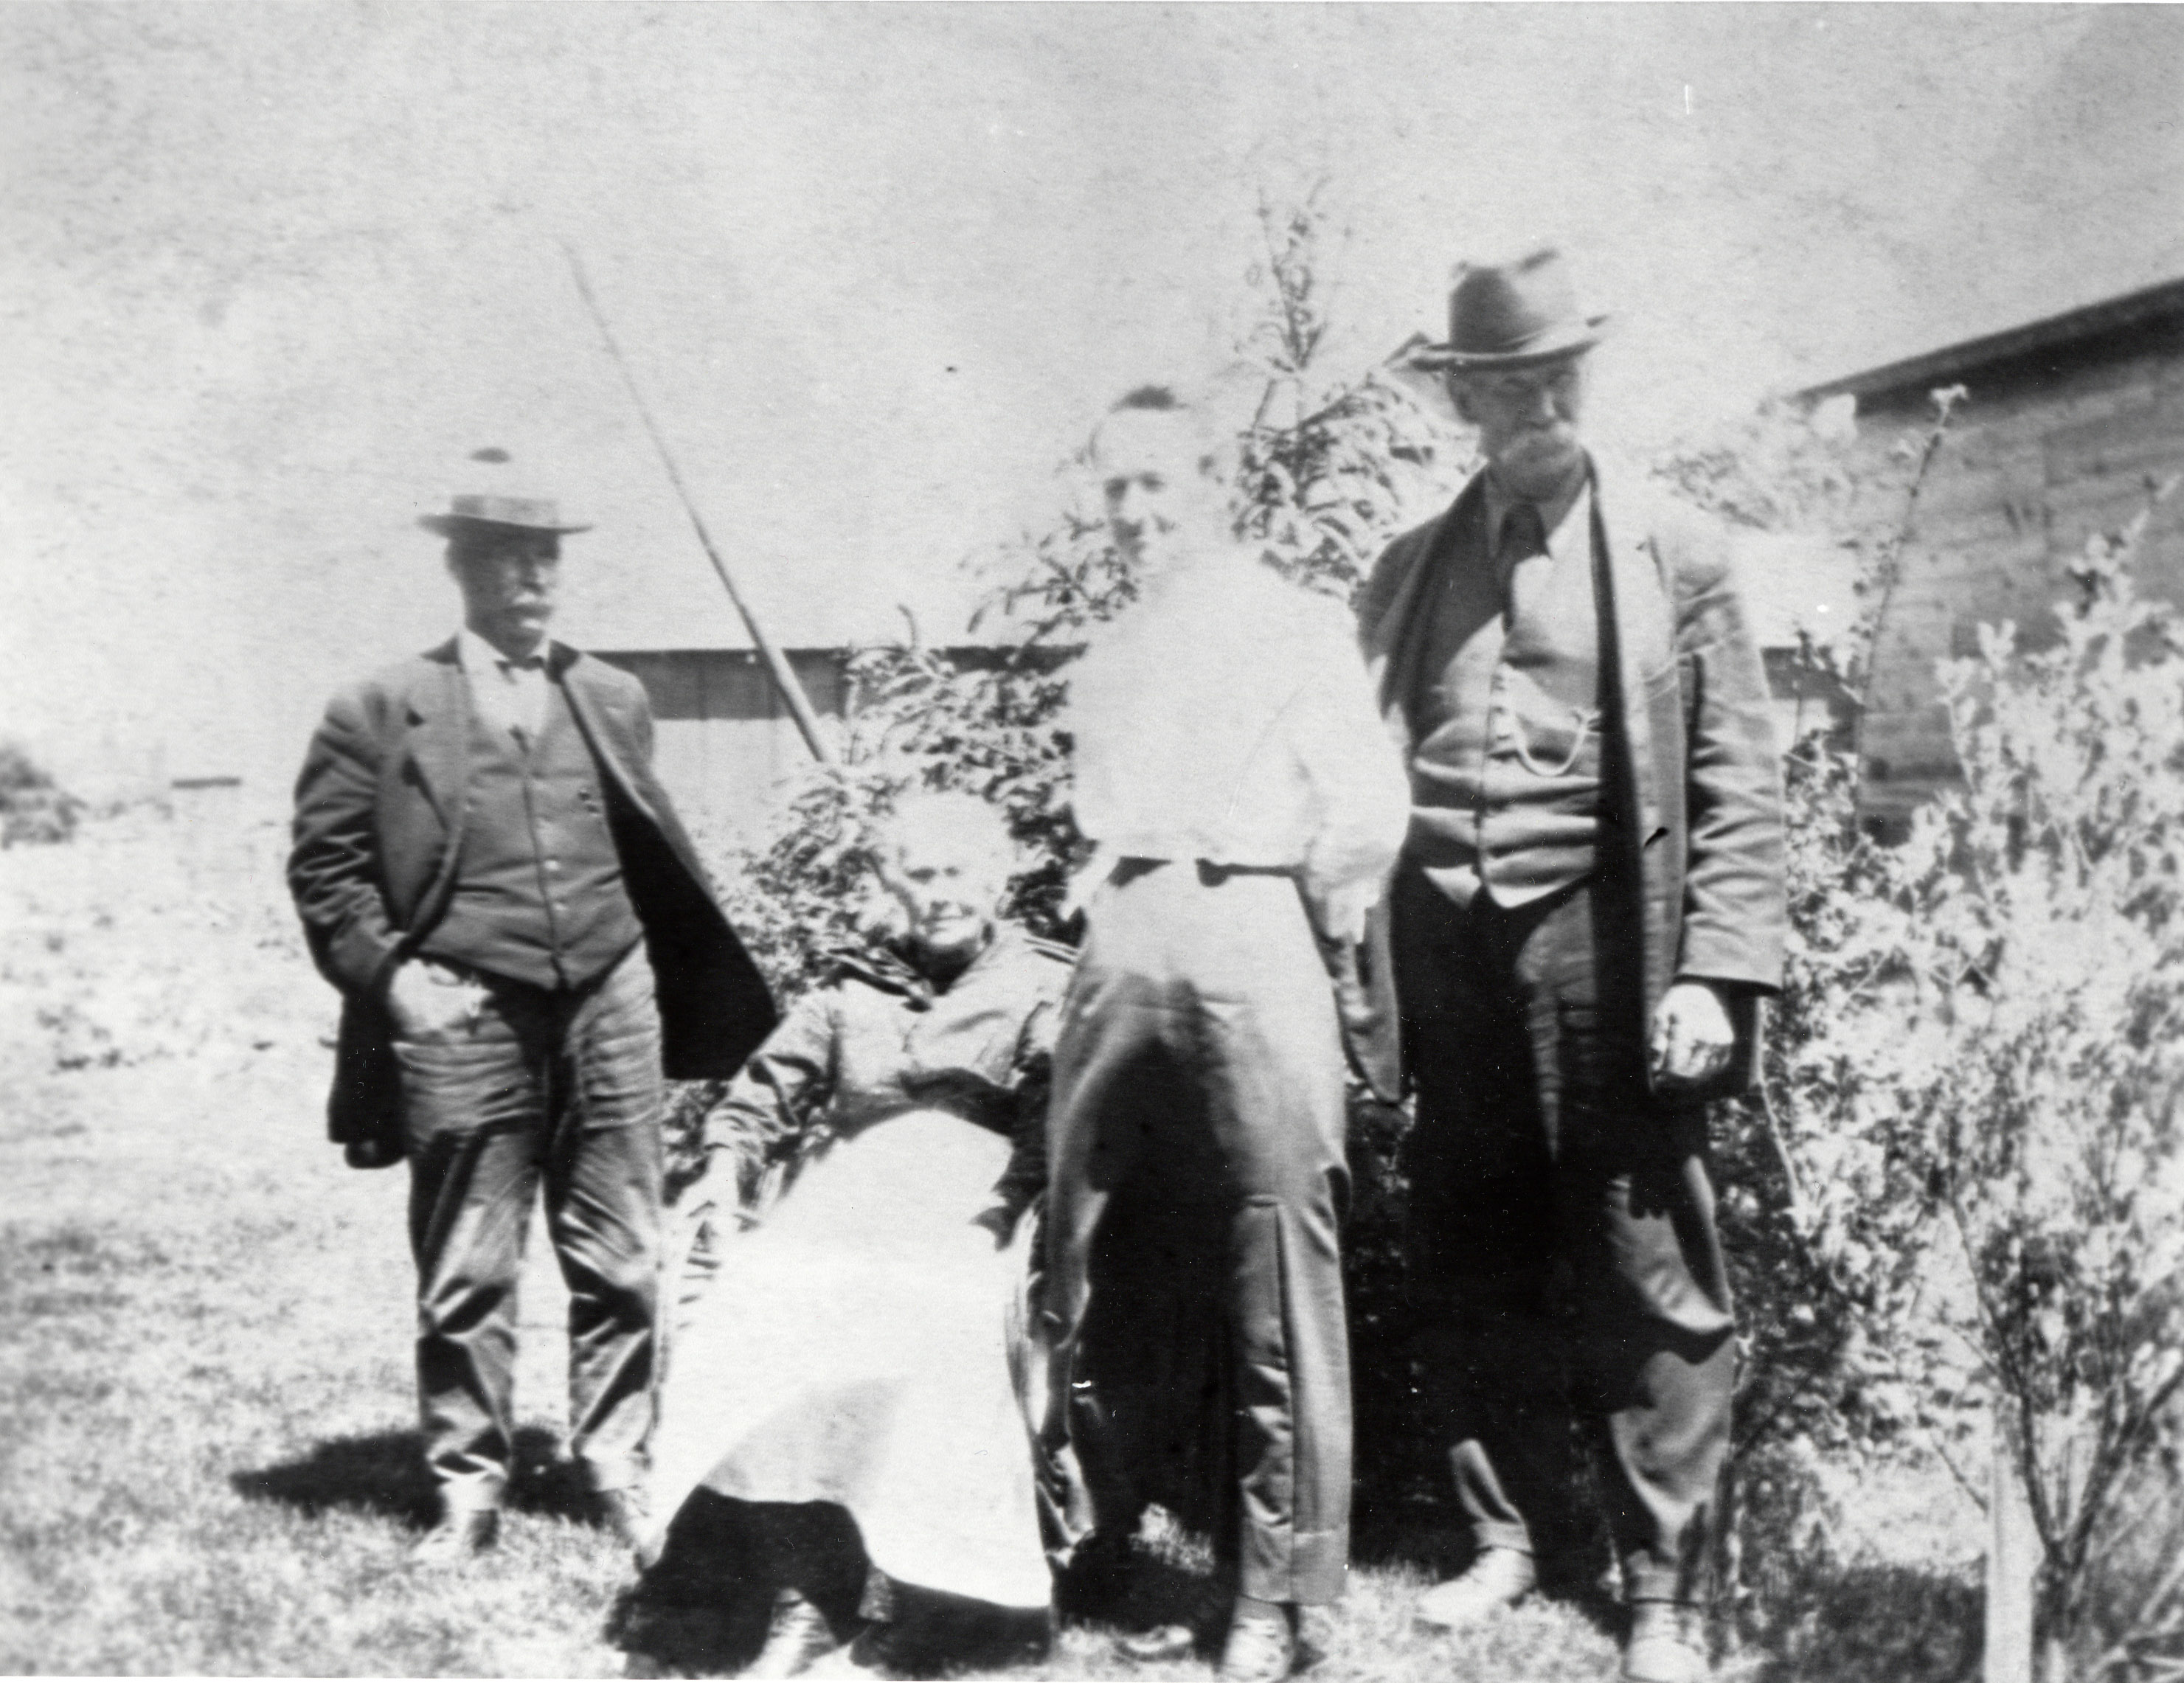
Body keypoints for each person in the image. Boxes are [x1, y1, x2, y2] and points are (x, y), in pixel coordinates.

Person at [1356, 249, 1787, 1683]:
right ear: (1461, 401)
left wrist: (1713, 973)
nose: (1537, 404)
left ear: (1581, 379)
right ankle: (1509, 1535)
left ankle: (1658, 1588)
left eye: (1556, 376)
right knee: (1467, 1243)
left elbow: (1738, 781)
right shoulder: (1408, 567)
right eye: (1506, 384)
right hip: (1443, 942)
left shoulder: (1675, 551)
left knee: (1642, 1254)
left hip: (1607, 940)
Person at [288, 460, 776, 1561]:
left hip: (609, 999)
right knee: (469, 1264)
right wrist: (399, 984)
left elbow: (641, 846)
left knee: (624, 1253)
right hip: (466, 1015)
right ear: (459, 567)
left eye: (545, 557)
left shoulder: (610, 695)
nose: (531, 578)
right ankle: (468, 1486)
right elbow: (325, 871)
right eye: (506, 558)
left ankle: (618, 1464)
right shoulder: (381, 706)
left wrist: (645, 973)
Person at [1041, 388, 1413, 1683]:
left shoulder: (1297, 625)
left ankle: (1272, 1589)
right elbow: (1101, 806)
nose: (1136, 512)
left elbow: (1367, 811)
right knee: (1087, 1241)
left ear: (1218, 483)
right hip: (1125, 939)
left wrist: (1297, 909)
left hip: (1252, 925)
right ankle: (1087, 1534)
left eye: (1160, 483)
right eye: (1117, 488)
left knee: (1276, 1249)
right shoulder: (1107, 655)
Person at [642, 791, 1071, 1681]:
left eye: (959, 872)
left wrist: (1007, 1207)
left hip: (972, 1207)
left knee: (931, 1319)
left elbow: (1051, 1117)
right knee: (768, 1306)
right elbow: (761, 1094)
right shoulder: (850, 987)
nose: (941, 892)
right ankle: (808, 1594)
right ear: (893, 883)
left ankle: (932, 1599)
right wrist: (722, 1168)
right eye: (921, 872)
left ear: (998, 880)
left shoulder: (1038, 983)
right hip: (844, 1204)